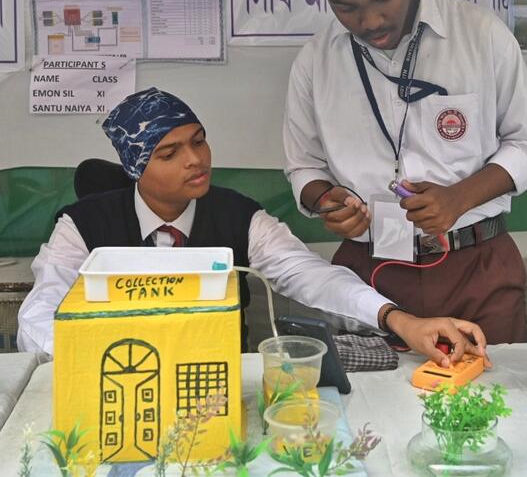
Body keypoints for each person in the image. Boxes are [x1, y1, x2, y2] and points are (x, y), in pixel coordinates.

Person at [17, 87, 488, 370]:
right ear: (137, 168)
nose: (196, 159)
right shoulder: (82, 226)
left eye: (198, 141)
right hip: (118, 375)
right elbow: (37, 315)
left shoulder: (239, 216)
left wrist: (402, 320)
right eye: (170, 153)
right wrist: (104, 362)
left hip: (220, 390)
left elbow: (311, 275)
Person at [283, 0, 527, 343]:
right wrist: (326, 199)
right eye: (346, 7)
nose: (370, 21)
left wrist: (459, 198)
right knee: (372, 411)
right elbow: (304, 167)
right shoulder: (315, 62)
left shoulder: (482, 36)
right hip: (369, 278)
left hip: (478, 266)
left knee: (498, 402)